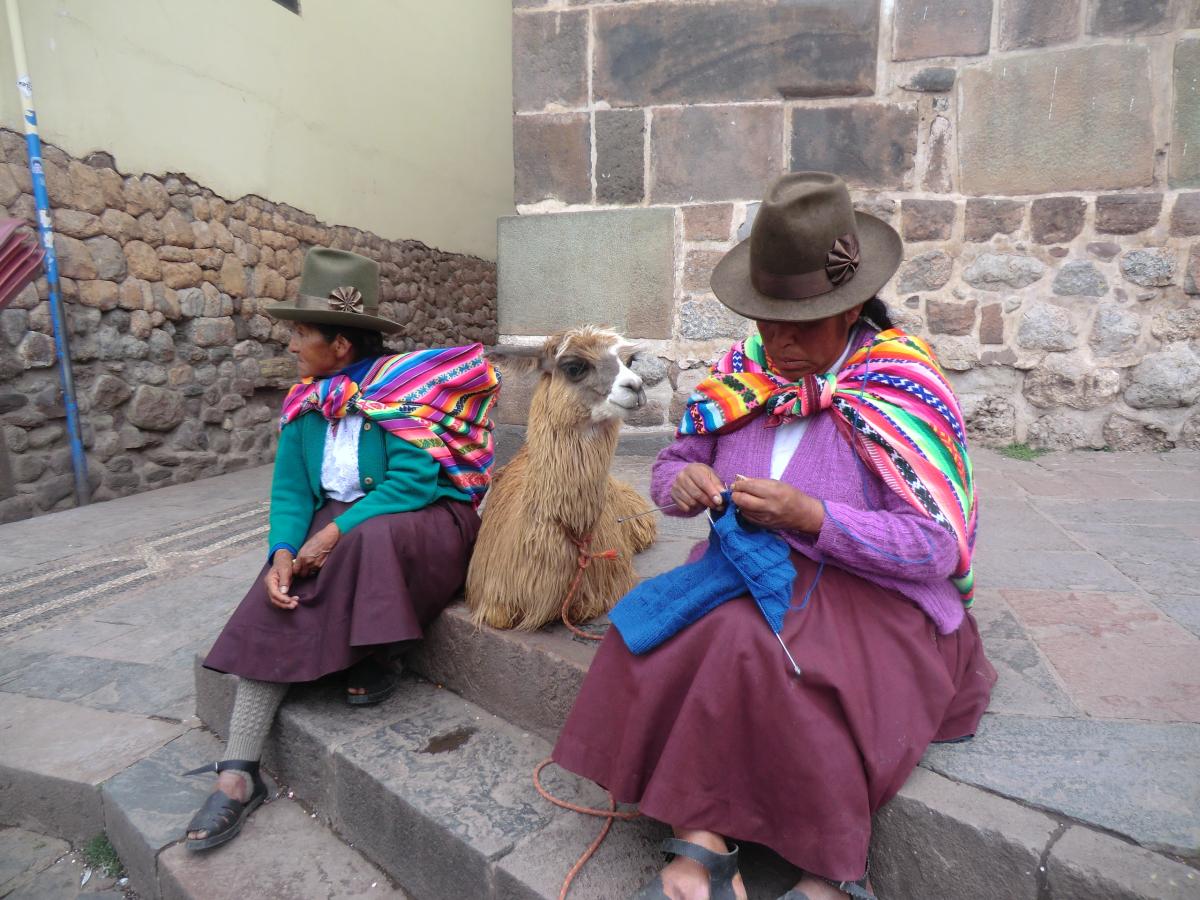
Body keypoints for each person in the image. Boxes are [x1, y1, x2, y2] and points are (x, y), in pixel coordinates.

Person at [551, 173, 996, 900]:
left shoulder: (903, 384)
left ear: (850, 307)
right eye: (768, 322)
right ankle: (703, 835)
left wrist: (813, 517)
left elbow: (934, 547)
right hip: (743, 573)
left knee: (764, 658)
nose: (781, 344)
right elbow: (675, 463)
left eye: (803, 326)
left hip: (871, 597)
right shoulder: (741, 371)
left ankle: (820, 867)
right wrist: (683, 487)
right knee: (648, 634)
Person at [184, 248, 499, 851]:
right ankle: (238, 772)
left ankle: (380, 652)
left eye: (302, 334)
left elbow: (410, 483)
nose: (294, 347)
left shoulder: (399, 395)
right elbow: (291, 491)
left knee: (360, 537)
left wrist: (331, 534)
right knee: (284, 584)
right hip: (355, 525)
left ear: (341, 346)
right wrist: (282, 549)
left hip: (425, 521)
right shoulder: (306, 404)